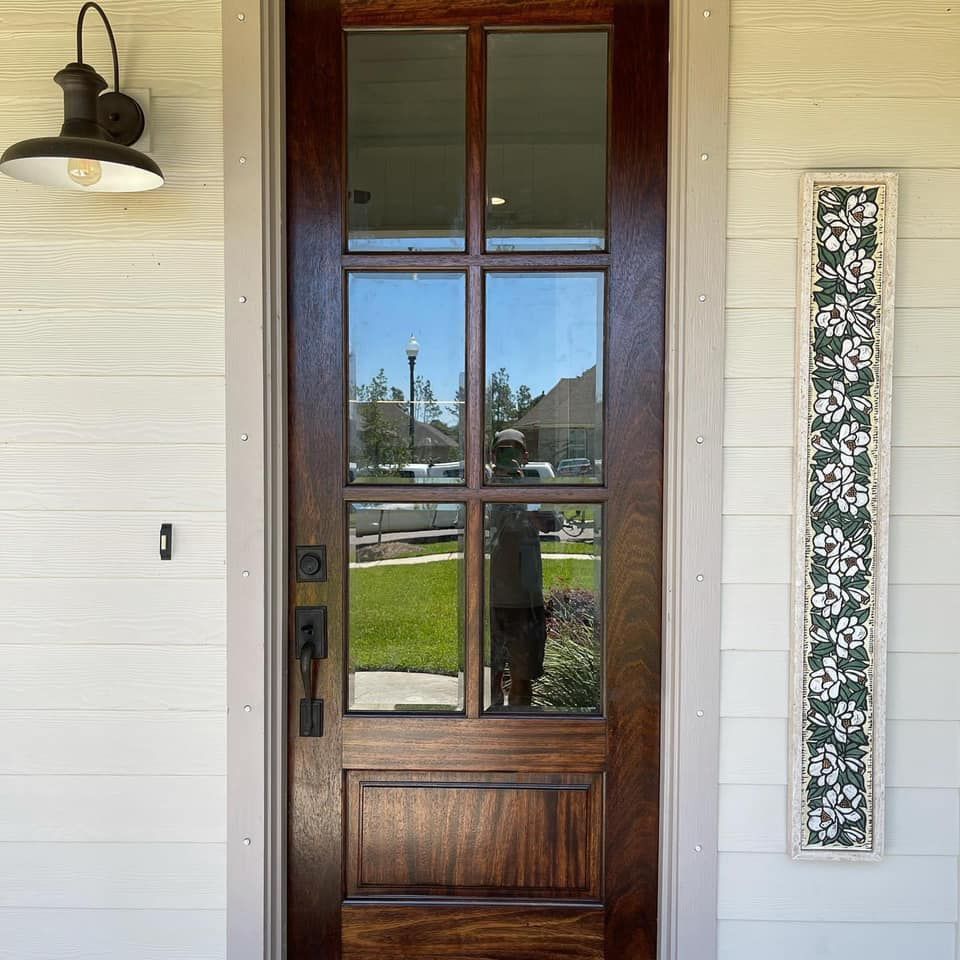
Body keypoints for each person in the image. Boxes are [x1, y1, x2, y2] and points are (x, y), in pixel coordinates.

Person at [487, 429, 557, 707]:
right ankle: (492, 715)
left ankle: (518, 722)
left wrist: (525, 500)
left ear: (526, 457)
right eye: (504, 451)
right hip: (493, 590)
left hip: (526, 593)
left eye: (515, 451)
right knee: (494, 666)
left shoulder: (532, 484)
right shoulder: (484, 486)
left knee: (523, 670)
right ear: (493, 457)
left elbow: (553, 523)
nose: (510, 458)